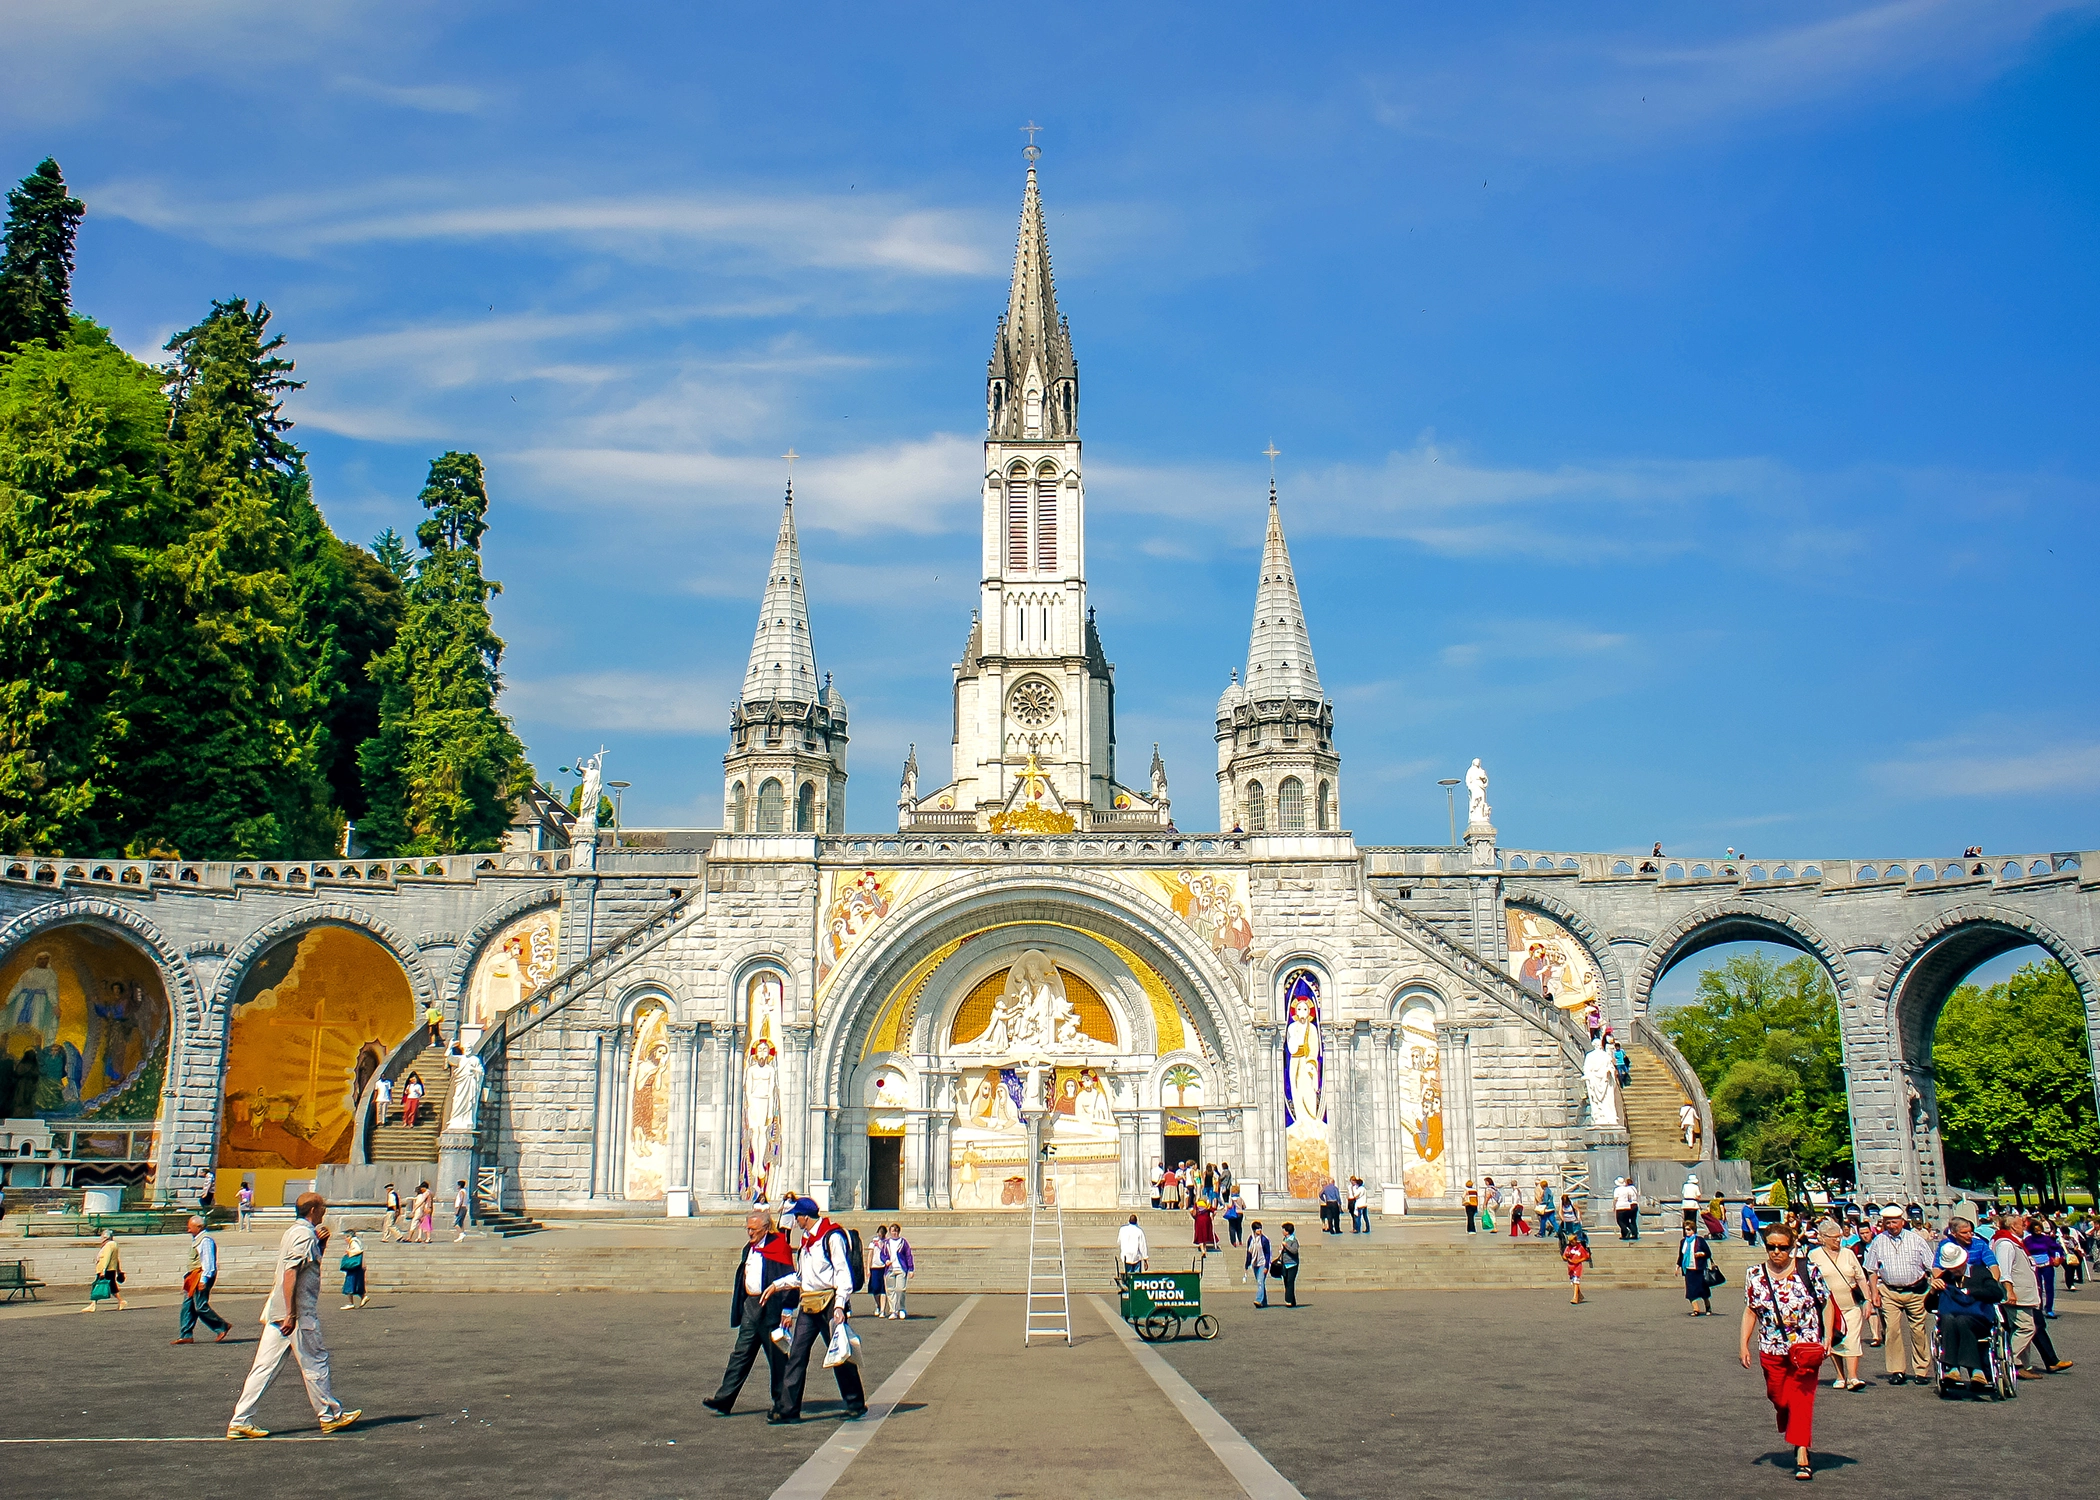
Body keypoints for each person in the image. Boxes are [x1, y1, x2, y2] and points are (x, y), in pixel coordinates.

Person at [226, 1192, 360, 1439]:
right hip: (297, 1313)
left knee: (263, 1368)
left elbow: (306, 1265)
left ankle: (240, 1420)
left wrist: (322, 1244)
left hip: (278, 1310)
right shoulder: (303, 1235)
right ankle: (330, 1416)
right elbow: (291, 1273)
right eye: (322, 1206)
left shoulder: (295, 1232)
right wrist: (292, 1314)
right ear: (312, 1210)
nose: (325, 1211)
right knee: (315, 1360)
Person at [1740, 1225, 1836, 1482]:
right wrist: (1743, 1344)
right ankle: (1792, 1424)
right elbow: (1751, 1311)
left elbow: (1826, 1302)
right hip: (1771, 1346)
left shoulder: (1809, 1270)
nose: (1777, 1252)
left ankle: (1802, 1452)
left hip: (1806, 1346)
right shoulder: (1754, 1274)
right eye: (1771, 1247)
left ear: (1792, 1246)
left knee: (1802, 1400)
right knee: (1779, 1398)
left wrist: (1826, 1336)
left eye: (1783, 1247)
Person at [770, 1197, 866, 1424]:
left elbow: (843, 1273)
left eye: (796, 1217)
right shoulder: (806, 1240)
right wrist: (777, 1285)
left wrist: (841, 1305)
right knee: (796, 1355)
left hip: (830, 1302)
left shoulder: (832, 1237)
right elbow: (803, 1277)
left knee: (840, 1352)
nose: (795, 1221)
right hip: (809, 1303)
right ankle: (788, 1408)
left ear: (804, 1216)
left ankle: (855, 1402)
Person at [702, 1210, 796, 1416]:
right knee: (740, 1353)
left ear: (765, 1228)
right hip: (751, 1306)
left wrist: (787, 1309)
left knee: (777, 1357)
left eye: (753, 1229)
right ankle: (724, 1399)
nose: (749, 1233)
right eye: (747, 1228)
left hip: (771, 1307)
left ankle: (781, 1402)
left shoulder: (779, 1247)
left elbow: (789, 1279)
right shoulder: (749, 1249)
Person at [1860, 1203, 1934, 1386]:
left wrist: (1934, 1287)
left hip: (1916, 1290)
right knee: (1892, 1331)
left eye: (1893, 1222)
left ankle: (1921, 1371)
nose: (1891, 1226)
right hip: (1890, 1291)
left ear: (1902, 1221)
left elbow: (1932, 1266)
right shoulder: (1878, 1241)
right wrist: (1874, 1294)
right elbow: (1872, 1270)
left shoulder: (1916, 1240)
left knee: (1918, 1331)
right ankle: (1897, 1370)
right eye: (1887, 1223)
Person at [1926, 1239, 2004, 1396]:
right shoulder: (1945, 1277)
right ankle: (1954, 1369)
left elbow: (1997, 1294)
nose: (1954, 1271)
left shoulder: (1980, 1272)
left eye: (1957, 1267)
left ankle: (1975, 1370)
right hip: (1953, 1321)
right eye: (1951, 1268)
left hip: (1979, 1319)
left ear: (1964, 1260)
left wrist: (1972, 1292)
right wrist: (1933, 1291)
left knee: (1962, 1320)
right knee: (1947, 1319)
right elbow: (1930, 1307)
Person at [1806, 1219, 1869, 1391]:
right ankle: (1840, 1376)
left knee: (1853, 1340)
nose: (1838, 1240)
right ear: (1823, 1238)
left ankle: (1853, 1377)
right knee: (1835, 1340)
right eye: (1833, 1237)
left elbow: (1861, 1278)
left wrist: (1868, 1300)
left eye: (1839, 1237)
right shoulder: (1814, 1256)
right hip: (1829, 1308)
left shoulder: (1848, 1254)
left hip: (1852, 1306)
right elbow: (1809, 1282)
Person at [1990, 1212, 2049, 1379]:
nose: (2024, 1227)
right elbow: (2004, 1271)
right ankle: (2010, 1359)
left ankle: (2024, 1365)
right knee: (2026, 1328)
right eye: (2021, 1224)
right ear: (2012, 1226)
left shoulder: (2013, 1242)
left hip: (2024, 1293)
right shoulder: (2005, 1244)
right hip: (2016, 1294)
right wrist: (2009, 1290)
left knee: (2022, 1328)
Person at [173, 1215, 231, 1341]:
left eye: (190, 1228)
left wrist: (203, 1280)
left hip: (201, 1275)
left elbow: (208, 1262)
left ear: (199, 1227)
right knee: (187, 1306)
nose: (188, 1230)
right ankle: (186, 1335)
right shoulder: (198, 1239)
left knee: (200, 1306)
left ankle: (222, 1326)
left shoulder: (205, 1241)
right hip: (193, 1275)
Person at [84, 1228, 127, 1312]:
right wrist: (118, 1270)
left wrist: (103, 1270)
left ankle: (93, 1304)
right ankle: (121, 1301)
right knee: (112, 1286)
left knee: (96, 1286)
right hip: (111, 1269)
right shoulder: (114, 1245)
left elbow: (106, 1257)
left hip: (105, 1269)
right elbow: (116, 1259)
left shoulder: (108, 1245)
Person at [1681, 1223, 1715, 1315]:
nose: (1686, 1231)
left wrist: (1702, 1254)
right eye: (1685, 1229)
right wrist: (1677, 1266)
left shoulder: (1699, 1240)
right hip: (1688, 1269)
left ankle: (1708, 1307)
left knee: (1703, 1289)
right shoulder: (1683, 1241)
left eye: (1688, 1229)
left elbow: (1708, 1253)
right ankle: (1696, 1310)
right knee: (1690, 1291)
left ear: (1693, 1230)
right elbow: (1681, 1256)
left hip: (1699, 1269)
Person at [885, 1224, 915, 1319]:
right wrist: (886, 1260)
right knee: (890, 1290)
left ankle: (901, 1308)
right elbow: (883, 1254)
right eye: (893, 1231)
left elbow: (908, 1255)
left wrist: (911, 1269)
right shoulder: (887, 1243)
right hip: (890, 1269)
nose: (894, 1233)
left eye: (896, 1231)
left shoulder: (903, 1242)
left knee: (900, 1289)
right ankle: (893, 1310)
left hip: (901, 1268)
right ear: (890, 1232)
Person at [339, 1229, 368, 1309]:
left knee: (350, 1283)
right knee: (357, 1283)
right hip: (357, 1266)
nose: (345, 1239)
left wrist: (349, 1252)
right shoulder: (357, 1241)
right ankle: (363, 1297)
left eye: (346, 1237)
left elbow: (358, 1251)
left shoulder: (353, 1242)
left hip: (353, 1266)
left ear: (349, 1236)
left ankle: (350, 1302)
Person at [1276, 1222, 1302, 1307]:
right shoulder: (1285, 1239)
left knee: (1290, 1282)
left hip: (1292, 1264)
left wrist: (1286, 1246)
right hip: (1285, 1264)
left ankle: (1288, 1300)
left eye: (1284, 1230)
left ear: (1287, 1231)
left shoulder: (1293, 1240)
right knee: (1286, 1282)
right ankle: (1292, 1300)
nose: (1282, 1231)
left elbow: (1294, 1251)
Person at [1246, 1220, 1272, 1306]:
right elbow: (1249, 1252)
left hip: (1262, 1263)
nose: (1259, 1230)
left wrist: (1266, 1266)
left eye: (1260, 1228)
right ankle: (1264, 1302)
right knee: (1260, 1282)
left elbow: (1268, 1253)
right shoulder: (1251, 1239)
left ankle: (1258, 1300)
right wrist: (1247, 1263)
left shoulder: (1264, 1240)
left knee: (1260, 1281)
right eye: (1257, 1229)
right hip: (1255, 1263)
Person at [1563, 1231, 1592, 1304]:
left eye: (1572, 1242)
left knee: (1576, 1281)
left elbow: (1586, 1256)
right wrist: (1567, 1259)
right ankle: (1580, 1295)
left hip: (1577, 1267)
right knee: (1573, 1282)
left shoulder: (1580, 1247)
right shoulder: (1568, 1247)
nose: (1571, 1243)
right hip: (1570, 1267)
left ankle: (1575, 1297)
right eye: (1570, 1242)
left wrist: (1578, 1260)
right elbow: (1564, 1256)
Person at [1118, 1212, 1149, 1277]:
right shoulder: (1139, 1231)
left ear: (1129, 1221)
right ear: (1136, 1221)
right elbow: (1142, 1246)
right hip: (1136, 1255)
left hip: (1126, 1255)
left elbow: (1119, 1241)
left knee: (1128, 1275)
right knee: (1136, 1276)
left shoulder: (1122, 1229)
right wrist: (1145, 1259)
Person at [1611, 1176, 1639, 1241]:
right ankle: (1628, 1233)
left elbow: (1615, 1199)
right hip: (1627, 1206)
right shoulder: (1628, 1189)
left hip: (1620, 1206)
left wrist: (1613, 1206)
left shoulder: (1617, 1189)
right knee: (1628, 1220)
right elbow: (1629, 1197)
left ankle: (1626, 1231)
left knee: (1619, 1221)